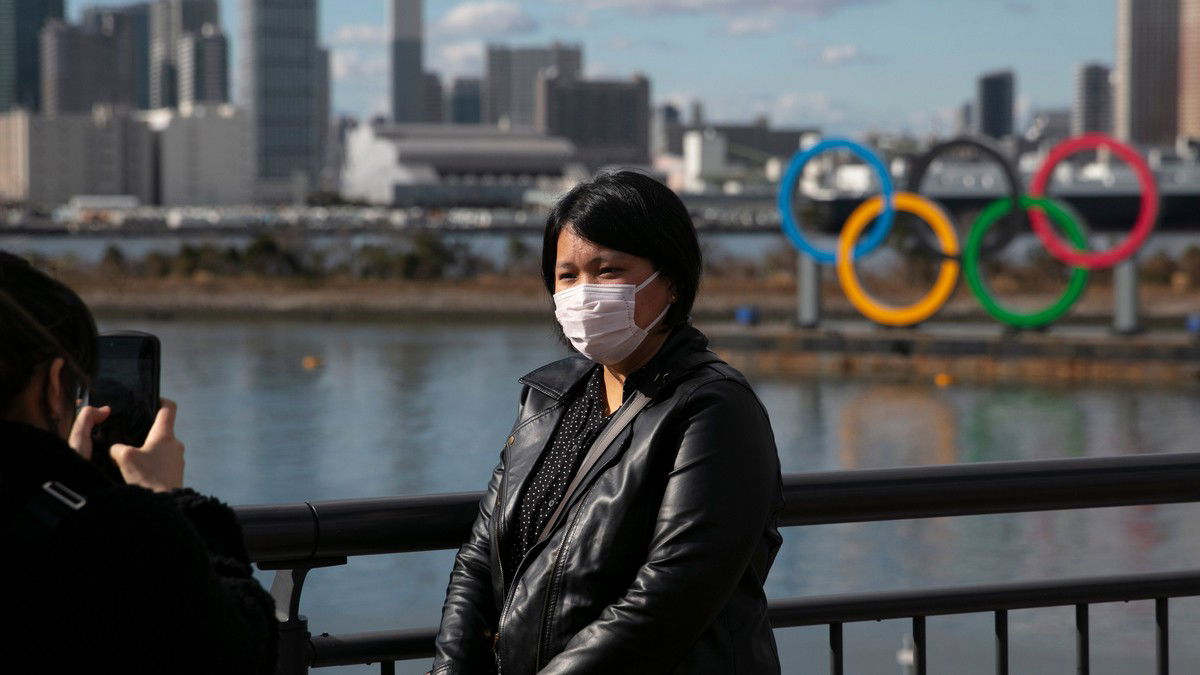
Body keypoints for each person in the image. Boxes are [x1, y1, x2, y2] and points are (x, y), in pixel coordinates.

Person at [432, 171, 784, 674]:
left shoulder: (713, 409)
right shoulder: (549, 399)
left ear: (671, 281)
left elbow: (669, 597)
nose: (584, 294)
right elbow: (480, 557)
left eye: (609, 270)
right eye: (567, 275)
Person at [0, 251, 277, 674]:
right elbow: (241, 647)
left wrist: (68, 481)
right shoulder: (119, 534)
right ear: (55, 387)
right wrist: (168, 497)